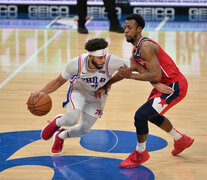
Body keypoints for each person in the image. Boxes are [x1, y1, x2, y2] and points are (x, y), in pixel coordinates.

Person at [95, 14, 194, 168]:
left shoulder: (146, 47)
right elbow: (128, 70)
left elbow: (155, 75)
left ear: (139, 29)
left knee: (140, 115)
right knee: (152, 116)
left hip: (174, 86)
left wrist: (132, 77)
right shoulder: (136, 50)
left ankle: (140, 153)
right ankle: (181, 140)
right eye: (125, 28)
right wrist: (108, 84)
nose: (126, 31)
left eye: (130, 28)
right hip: (163, 85)